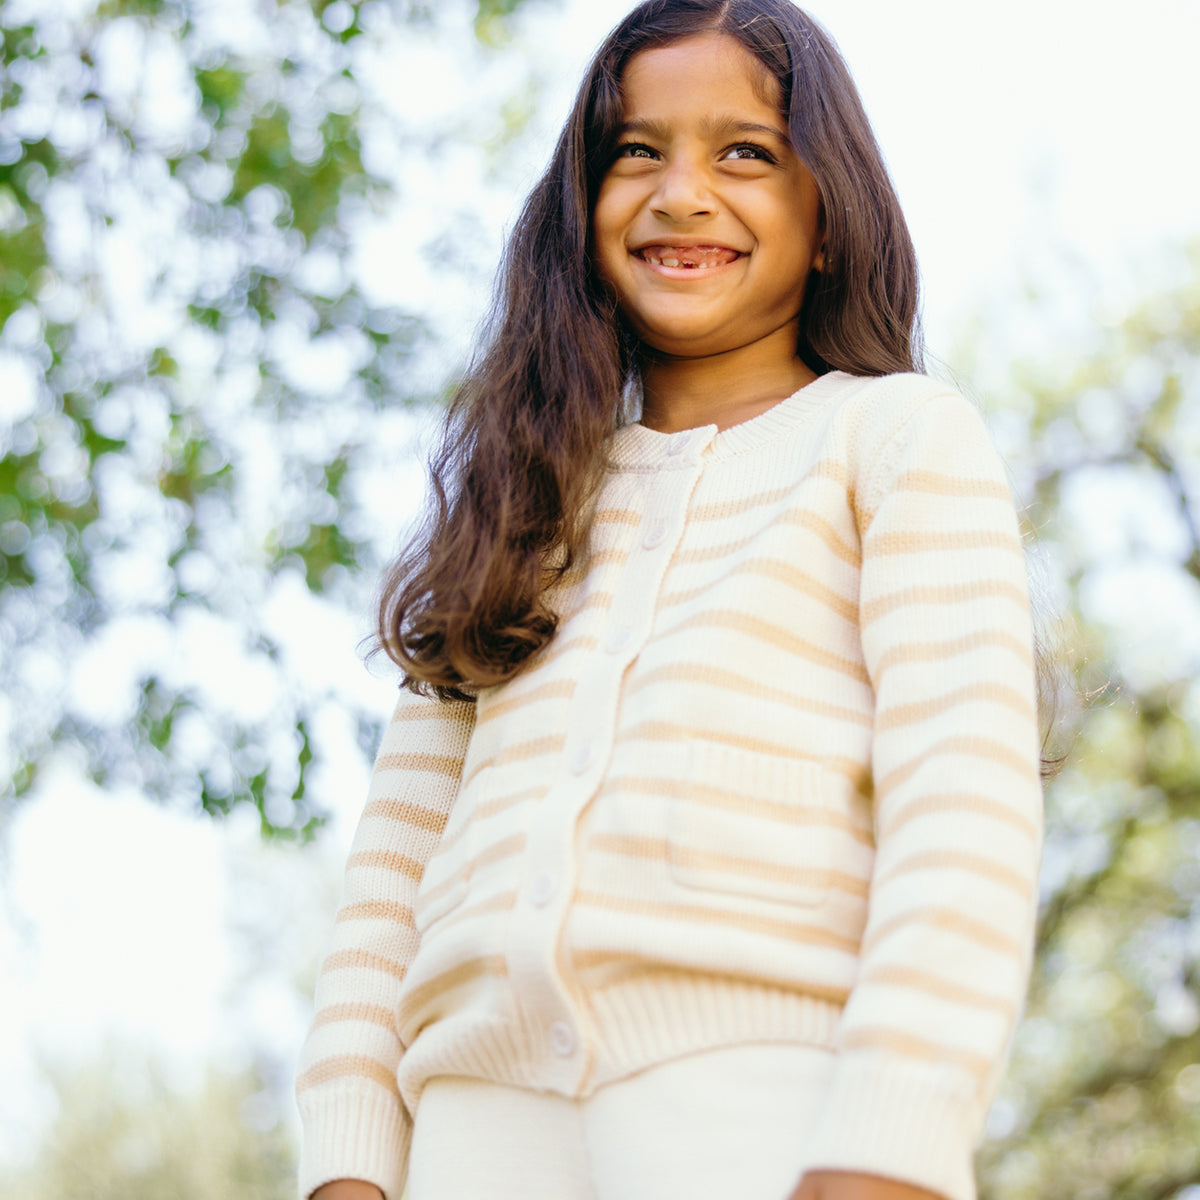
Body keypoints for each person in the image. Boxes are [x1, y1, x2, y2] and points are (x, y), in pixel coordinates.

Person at [294, 2, 1044, 1198]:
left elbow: (964, 803)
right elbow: (390, 878)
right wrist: (349, 1164)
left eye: (744, 152)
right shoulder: (520, 511)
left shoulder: (895, 438)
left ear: (830, 215)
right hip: (470, 1131)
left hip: (766, 1104)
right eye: (636, 151)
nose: (681, 194)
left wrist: (888, 1145)